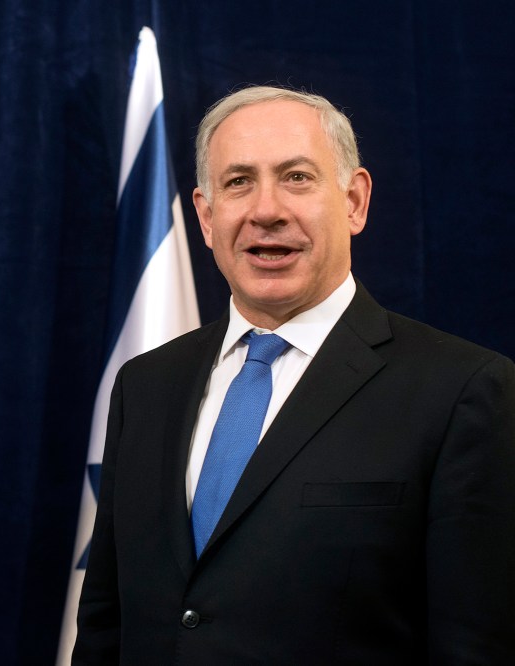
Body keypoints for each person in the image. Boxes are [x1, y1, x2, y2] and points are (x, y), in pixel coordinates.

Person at [73, 86, 515, 663]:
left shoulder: (462, 390)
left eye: (297, 177)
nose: (266, 210)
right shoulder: (145, 385)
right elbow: (107, 625)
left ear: (354, 201)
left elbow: (476, 645)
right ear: (205, 217)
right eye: (238, 182)